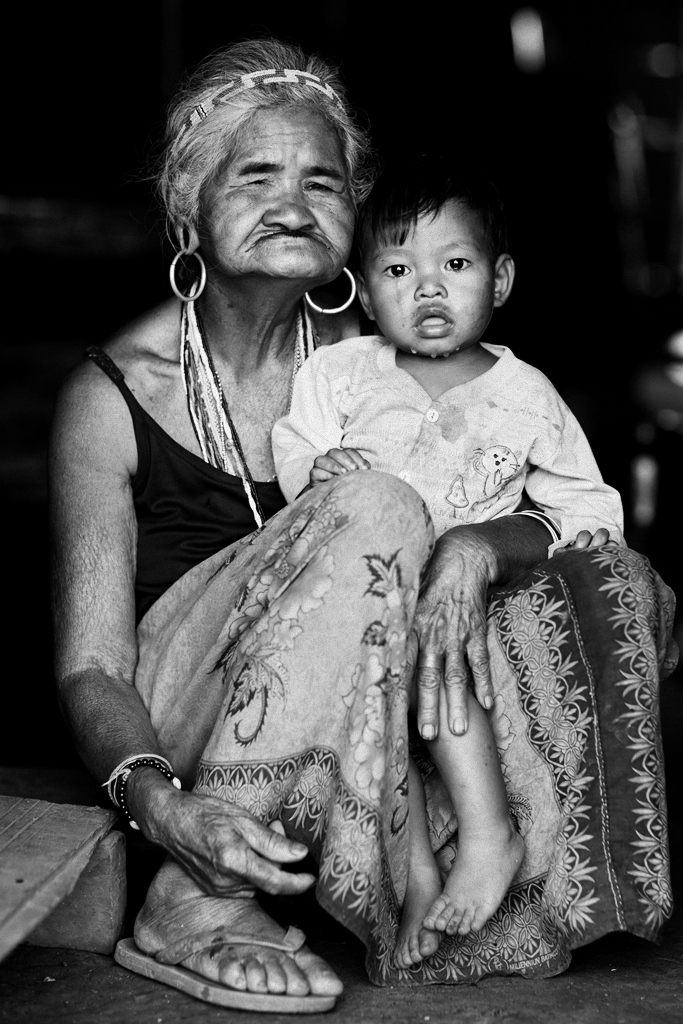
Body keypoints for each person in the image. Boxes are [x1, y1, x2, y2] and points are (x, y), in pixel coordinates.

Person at [49, 37, 676, 1011]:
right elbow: (92, 664)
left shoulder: (387, 356)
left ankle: (474, 853)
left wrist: (475, 545)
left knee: (609, 579)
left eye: (323, 181)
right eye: (255, 175)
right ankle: (193, 898)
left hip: (367, 701)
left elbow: (539, 505)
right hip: (186, 708)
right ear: (187, 203)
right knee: (379, 499)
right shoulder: (117, 394)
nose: (293, 202)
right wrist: (159, 804)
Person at [272, 158, 626, 967]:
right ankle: (415, 873)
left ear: (498, 279)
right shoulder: (339, 372)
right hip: (364, 592)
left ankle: (488, 832)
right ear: (363, 289)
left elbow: (590, 506)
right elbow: (297, 444)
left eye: (454, 265)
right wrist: (316, 473)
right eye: (399, 270)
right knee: (377, 665)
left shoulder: (526, 393)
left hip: (458, 605)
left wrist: (503, 549)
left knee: (441, 639)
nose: (427, 289)